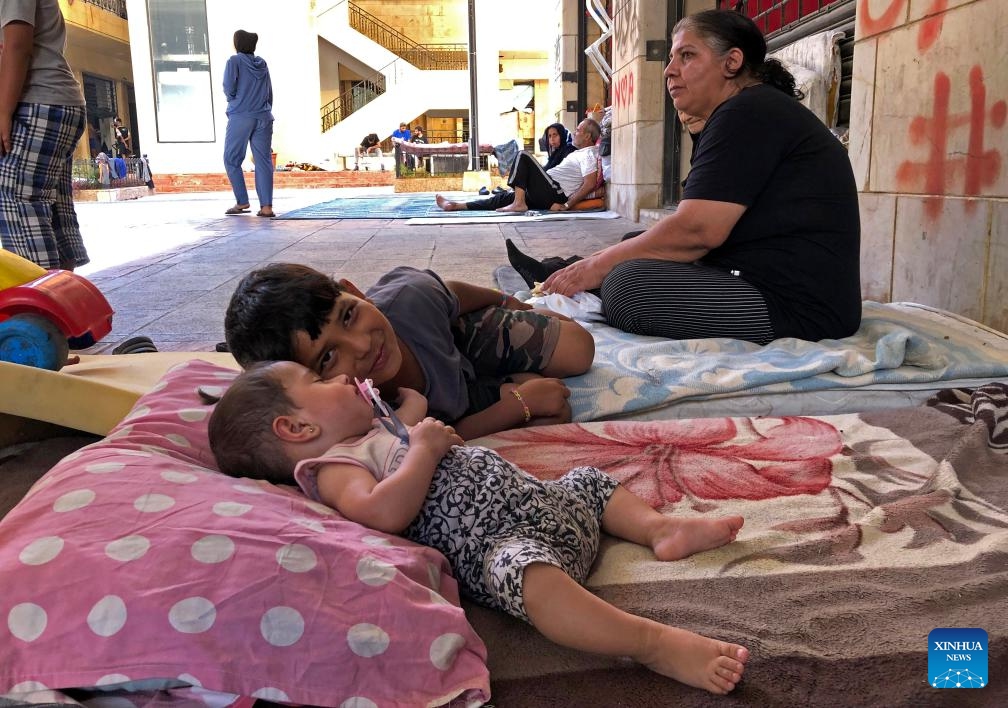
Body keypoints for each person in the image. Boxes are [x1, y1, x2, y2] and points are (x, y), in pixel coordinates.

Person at [206, 360, 750, 695]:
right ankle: (652, 642)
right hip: (500, 546)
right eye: (320, 379)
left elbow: (417, 410)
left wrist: (405, 411)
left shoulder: (375, 430)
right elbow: (381, 512)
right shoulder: (333, 468)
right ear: (296, 427)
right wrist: (421, 449)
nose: (341, 377)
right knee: (528, 576)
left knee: (588, 479)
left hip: (546, 506)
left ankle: (658, 530)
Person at [534, 9, 861, 345]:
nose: (669, 70)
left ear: (731, 62)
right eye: (673, 57)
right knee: (631, 245)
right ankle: (565, 274)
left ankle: (570, 277)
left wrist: (595, 267)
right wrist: (597, 263)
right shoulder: (746, 110)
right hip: (762, 279)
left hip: (799, 308)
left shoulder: (748, 111)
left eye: (687, 56)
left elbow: (697, 231)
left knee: (627, 287)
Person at [223, 263, 595, 440]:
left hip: (458, 336)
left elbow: (453, 292)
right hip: (459, 397)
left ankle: (541, 317)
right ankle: (505, 380)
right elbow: (440, 435)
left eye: (349, 315)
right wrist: (516, 404)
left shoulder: (407, 300)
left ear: (356, 290)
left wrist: (513, 303)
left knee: (579, 350)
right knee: (552, 413)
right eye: (328, 358)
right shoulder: (343, 413)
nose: (363, 344)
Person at [0, 0, 90, 271]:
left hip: (37, 102)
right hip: (56, 103)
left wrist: (3, 112)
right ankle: (68, 302)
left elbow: (18, 45)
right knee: (52, 206)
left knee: (16, 197)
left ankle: (39, 303)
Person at [435, 118, 600, 214]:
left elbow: (590, 183)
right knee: (503, 197)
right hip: (547, 191)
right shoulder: (578, 153)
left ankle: (519, 203)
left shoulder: (589, 154)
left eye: (578, 130)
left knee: (522, 155)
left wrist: (567, 205)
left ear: (587, 135)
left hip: (555, 192)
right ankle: (457, 206)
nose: (575, 132)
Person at [222, 29, 275, 218]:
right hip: (264, 116)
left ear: (237, 43)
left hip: (241, 115)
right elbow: (269, 92)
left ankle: (242, 201)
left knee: (232, 159)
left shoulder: (234, 61)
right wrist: (264, 108)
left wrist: (234, 101)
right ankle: (267, 207)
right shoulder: (263, 64)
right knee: (263, 161)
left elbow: (228, 87)